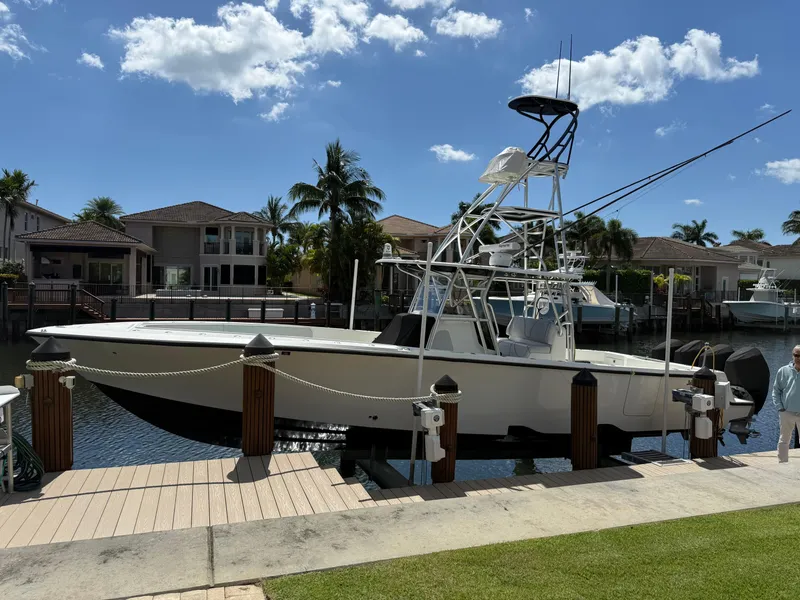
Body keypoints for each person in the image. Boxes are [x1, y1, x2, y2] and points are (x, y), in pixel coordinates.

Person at [773, 345, 800, 462]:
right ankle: (782, 464)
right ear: (792, 355)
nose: (798, 358)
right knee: (784, 440)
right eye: (796, 355)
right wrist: (780, 408)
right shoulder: (783, 371)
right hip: (786, 412)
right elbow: (776, 390)